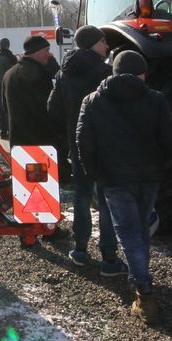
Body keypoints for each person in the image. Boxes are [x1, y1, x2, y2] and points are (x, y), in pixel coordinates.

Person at [76, 50, 172, 325]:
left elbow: (83, 142)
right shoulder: (156, 99)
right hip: (148, 177)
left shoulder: (93, 101)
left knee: (130, 234)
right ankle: (141, 283)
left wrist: (95, 173)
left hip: (113, 179)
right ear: (142, 73)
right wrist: (161, 166)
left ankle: (144, 292)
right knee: (141, 231)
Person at [47, 25, 124, 275]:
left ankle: (80, 250)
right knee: (105, 200)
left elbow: (53, 108)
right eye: (103, 42)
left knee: (81, 195)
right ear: (93, 43)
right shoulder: (105, 72)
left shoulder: (63, 73)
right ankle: (109, 258)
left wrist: (70, 129)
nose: (107, 46)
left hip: (76, 143)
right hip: (105, 145)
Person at [2, 36, 59, 147]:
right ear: (35, 52)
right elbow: (48, 106)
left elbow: (4, 107)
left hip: (18, 141)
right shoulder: (37, 73)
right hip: (41, 141)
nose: (49, 54)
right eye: (46, 50)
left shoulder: (8, 74)